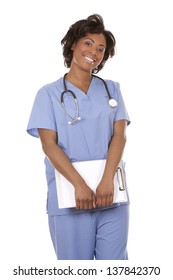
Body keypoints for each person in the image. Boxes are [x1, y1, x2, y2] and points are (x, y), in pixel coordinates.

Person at [27, 14, 130, 260]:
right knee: (75, 270)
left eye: (101, 49)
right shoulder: (48, 95)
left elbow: (119, 136)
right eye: (88, 43)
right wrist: (80, 185)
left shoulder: (111, 89)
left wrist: (107, 181)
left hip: (111, 195)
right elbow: (49, 145)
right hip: (70, 196)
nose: (94, 52)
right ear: (73, 44)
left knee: (115, 270)